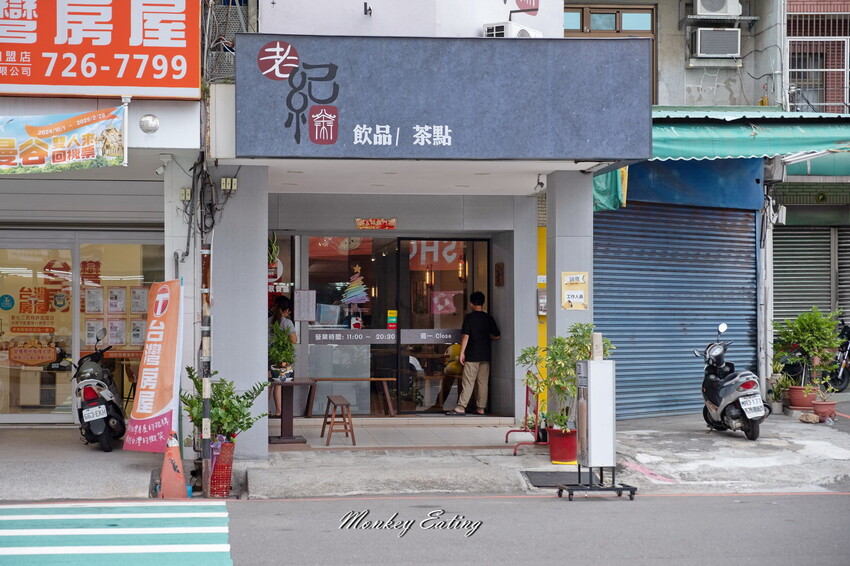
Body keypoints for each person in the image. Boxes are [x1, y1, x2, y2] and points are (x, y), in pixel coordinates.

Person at [447, 291, 500, 416]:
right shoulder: (488, 318)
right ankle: (481, 408)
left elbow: (465, 336)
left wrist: (462, 352)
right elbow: (497, 336)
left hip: (472, 354)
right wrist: (486, 336)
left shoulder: (469, 318)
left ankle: (461, 407)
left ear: (471, 303)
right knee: (482, 383)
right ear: (483, 303)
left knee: (468, 382)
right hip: (485, 355)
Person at [269, 295, 297, 417]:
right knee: (279, 384)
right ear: (286, 310)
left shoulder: (267, 320)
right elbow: (294, 340)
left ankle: (265, 410)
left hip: (267, 355)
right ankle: (279, 411)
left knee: (267, 384)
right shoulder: (287, 322)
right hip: (281, 356)